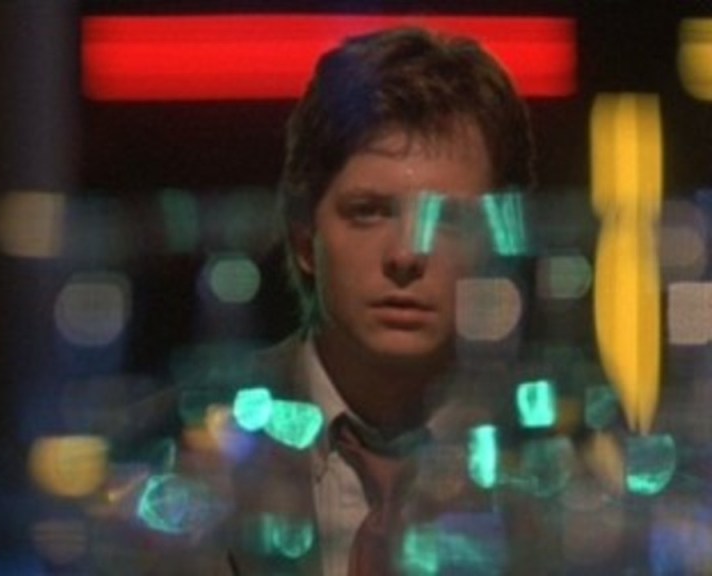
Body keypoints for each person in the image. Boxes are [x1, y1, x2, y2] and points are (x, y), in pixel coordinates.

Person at [222, 26, 536, 575]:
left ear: (501, 245)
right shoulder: (182, 451)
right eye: (368, 212)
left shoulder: (574, 471)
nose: (406, 254)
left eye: (447, 218)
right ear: (304, 238)